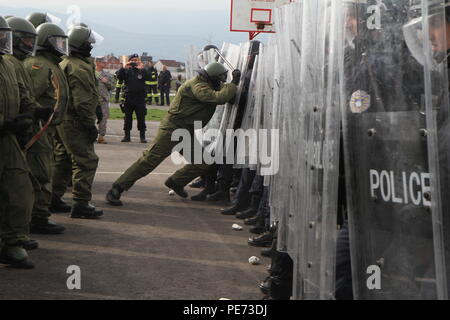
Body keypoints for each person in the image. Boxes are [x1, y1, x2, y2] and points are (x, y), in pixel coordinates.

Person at [106, 62, 241, 206]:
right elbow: (218, 97)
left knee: (203, 162)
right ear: (212, 78)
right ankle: (117, 188)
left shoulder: (205, 84)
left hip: (185, 130)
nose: (221, 82)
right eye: (219, 79)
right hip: (172, 129)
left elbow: (223, 94)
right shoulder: (198, 86)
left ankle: (176, 181)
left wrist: (229, 88)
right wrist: (233, 83)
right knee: (149, 161)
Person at [5, 18, 66, 235]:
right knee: (36, 174)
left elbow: (26, 96)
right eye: (27, 39)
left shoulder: (13, 63)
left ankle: (22, 229)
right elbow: (30, 93)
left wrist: (36, 111)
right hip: (25, 130)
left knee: (32, 176)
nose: (30, 44)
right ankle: (32, 221)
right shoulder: (34, 65)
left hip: (32, 126)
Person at [0, 16, 35, 269]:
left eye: (5, 34)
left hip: (7, 138)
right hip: (5, 130)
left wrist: (32, 113)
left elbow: (21, 95)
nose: (4, 39)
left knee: (18, 188)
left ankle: (12, 243)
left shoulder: (7, 64)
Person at [59, 26, 103, 219]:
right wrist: (90, 125)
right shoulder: (79, 67)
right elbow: (82, 102)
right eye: (88, 44)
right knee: (86, 161)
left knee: (61, 159)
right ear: (79, 44)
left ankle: (51, 199)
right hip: (75, 122)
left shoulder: (65, 63)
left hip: (63, 120)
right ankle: (81, 203)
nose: (90, 47)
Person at [115, 54, 151, 143]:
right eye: (133, 60)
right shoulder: (127, 70)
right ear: (130, 61)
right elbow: (119, 76)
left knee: (141, 117)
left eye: (136, 60)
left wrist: (142, 68)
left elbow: (149, 76)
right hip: (129, 97)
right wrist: (124, 67)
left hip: (140, 98)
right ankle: (127, 136)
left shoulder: (142, 71)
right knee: (127, 117)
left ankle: (142, 137)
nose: (135, 62)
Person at [97, 71, 113, 144]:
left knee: (103, 119)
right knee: (90, 119)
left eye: (102, 61)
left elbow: (112, 86)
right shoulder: (90, 71)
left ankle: (101, 137)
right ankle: (90, 136)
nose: (100, 62)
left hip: (103, 100)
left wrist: (106, 82)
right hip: (92, 100)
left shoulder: (108, 74)